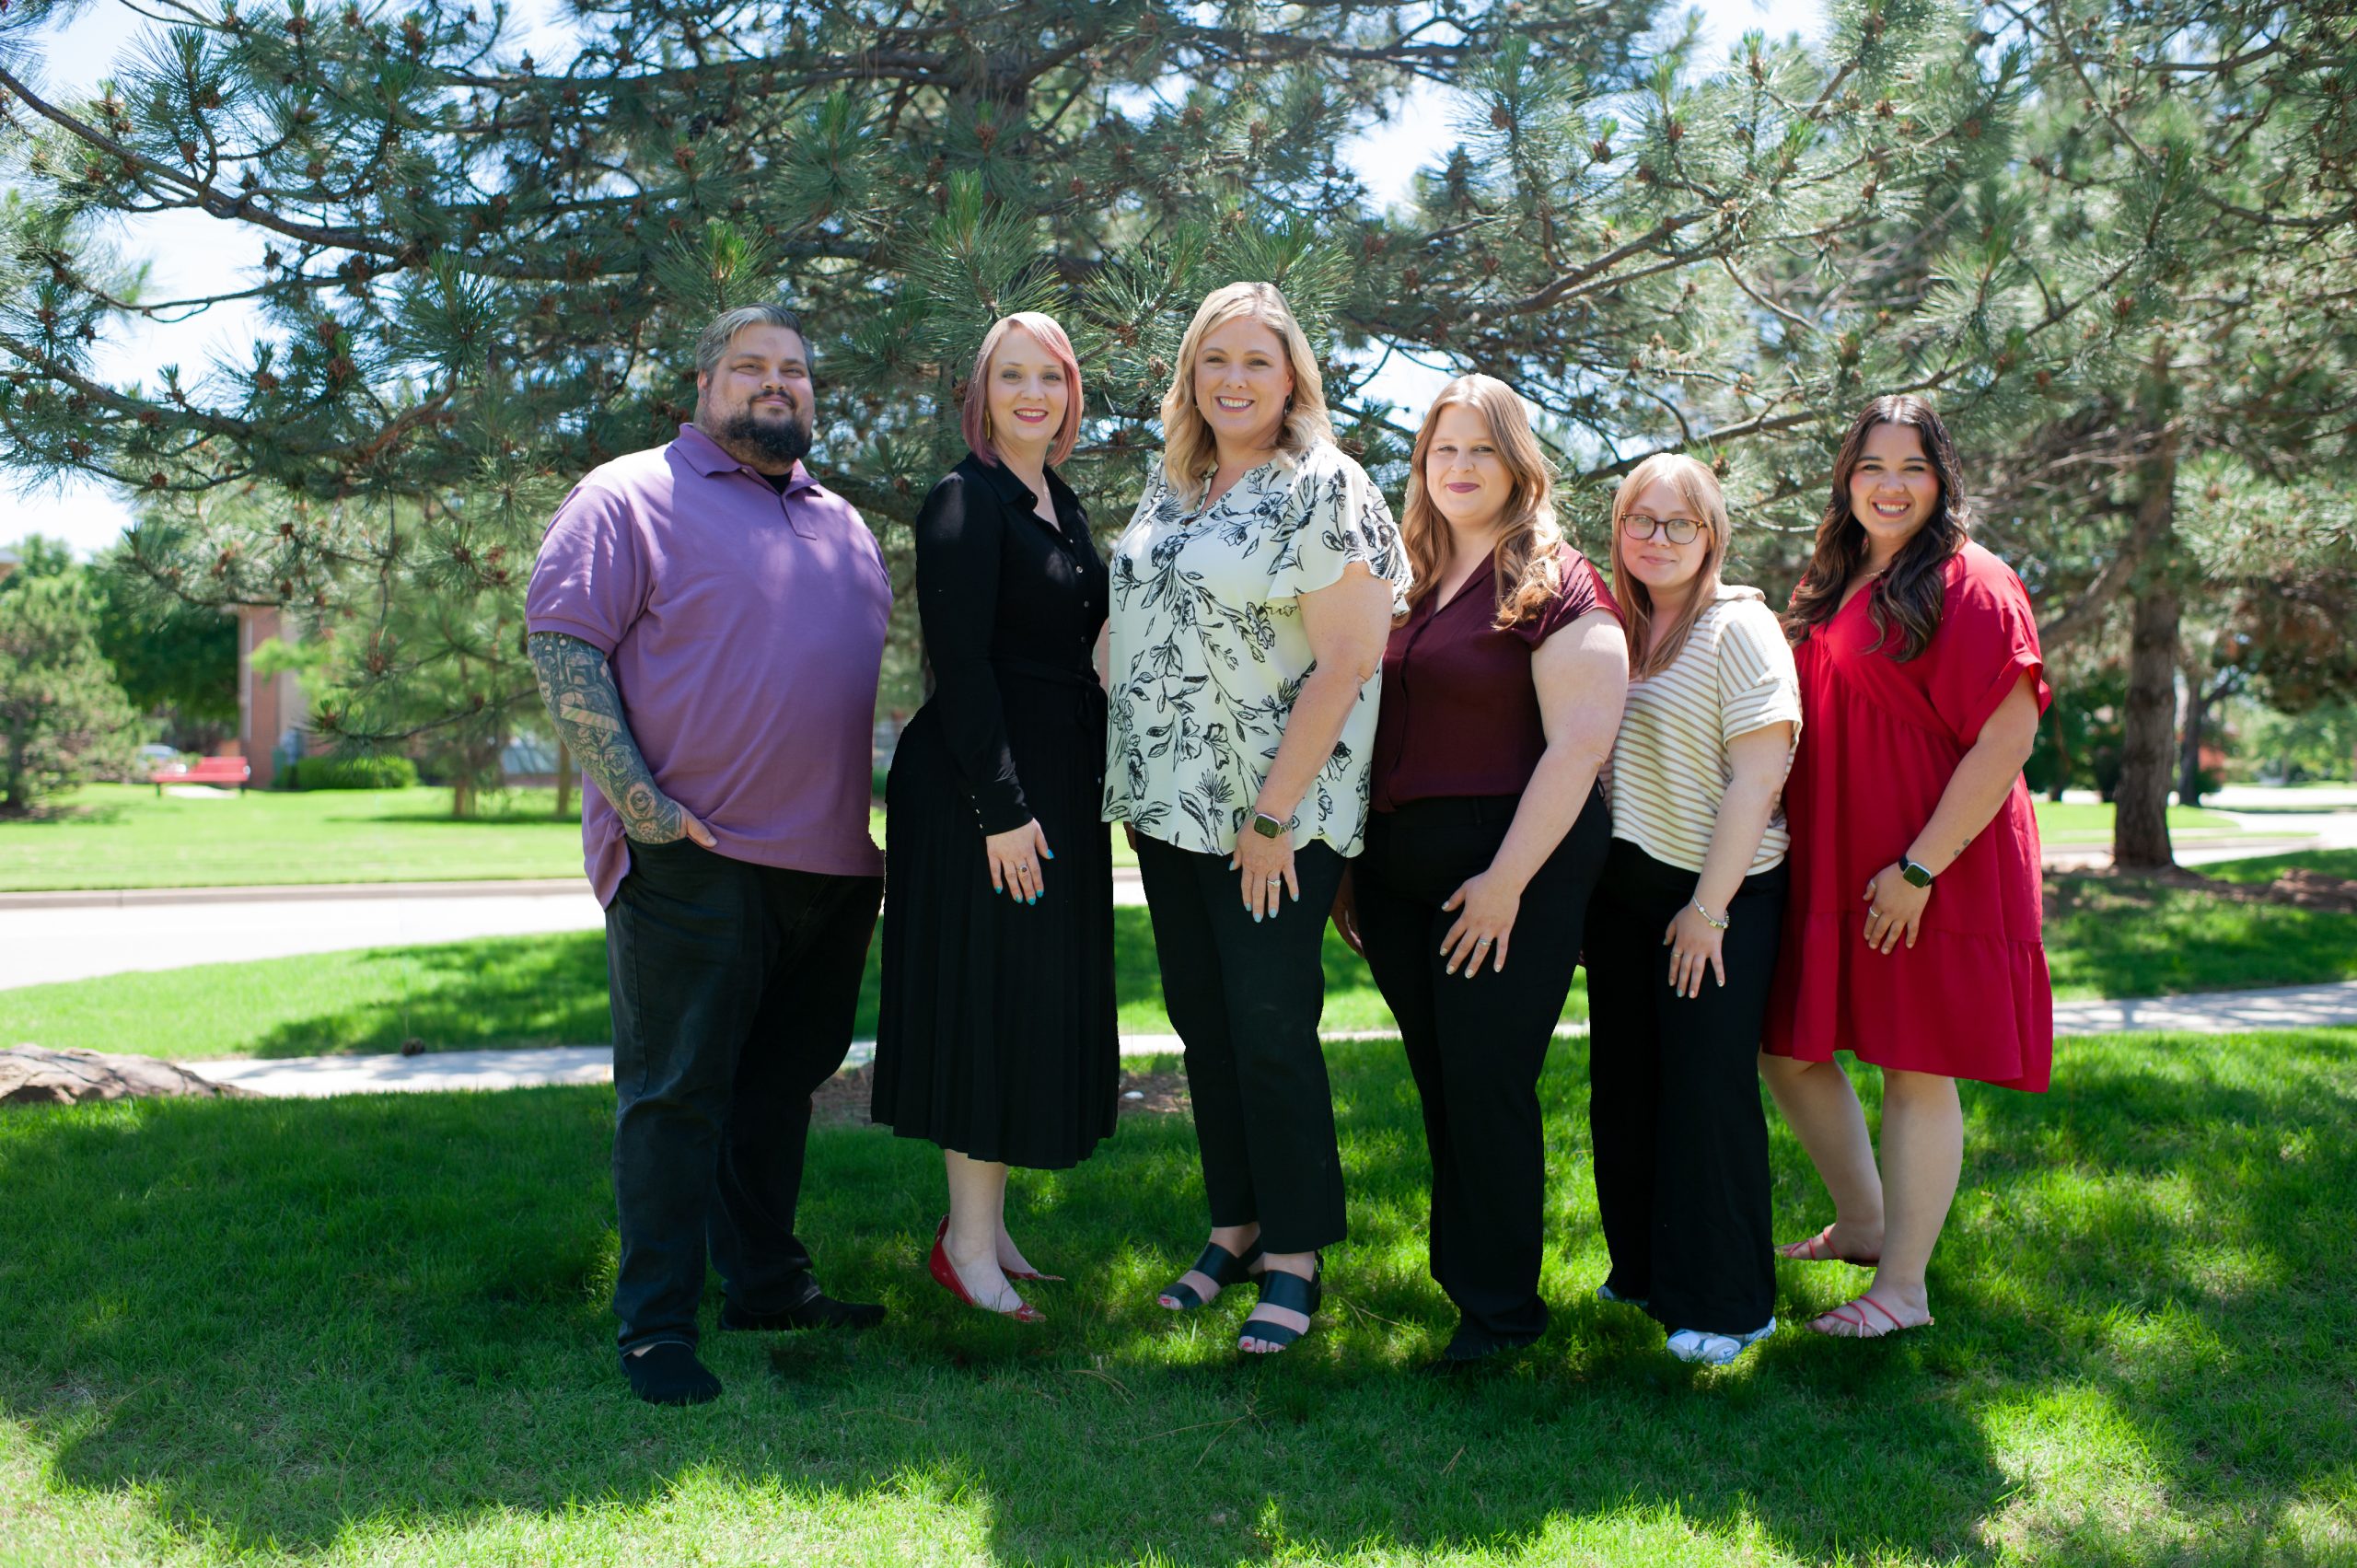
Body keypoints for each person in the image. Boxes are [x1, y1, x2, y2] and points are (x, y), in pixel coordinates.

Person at [526, 304, 891, 1406]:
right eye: (749, 367)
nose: (775, 384)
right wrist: (640, 805)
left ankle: (768, 1282)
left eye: (793, 371)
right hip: (694, 851)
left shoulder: (846, 525)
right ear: (702, 384)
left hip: (827, 868)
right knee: (675, 1094)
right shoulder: (628, 494)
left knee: (779, 1088)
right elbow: (563, 645)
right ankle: (654, 1328)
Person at [1103, 281, 1408, 1355]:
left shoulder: (1324, 485)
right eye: (1214, 359)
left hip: (1274, 815)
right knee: (1203, 1020)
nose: (1233, 378)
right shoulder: (1171, 483)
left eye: (1257, 361)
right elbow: (1137, 617)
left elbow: (1350, 658)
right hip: (1168, 809)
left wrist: (1272, 816)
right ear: (1190, 374)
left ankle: (1296, 1255)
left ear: (1292, 380)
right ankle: (1233, 1222)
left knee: (1271, 1026)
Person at [1342, 374, 1627, 1369]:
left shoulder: (1556, 579)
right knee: (1440, 1079)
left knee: (1486, 1078)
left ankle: (1502, 1310)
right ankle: (1468, 1282)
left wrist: (1506, 880)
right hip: (1396, 873)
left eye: (1481, 450)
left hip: (1514, 866)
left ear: (1518, 465)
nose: (1459, 468)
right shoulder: (1405, 576)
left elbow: (1579, 747)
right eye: (1442, 450)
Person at [1760, 393, 2051, 1340]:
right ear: (1846, 477)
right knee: (1787, 1043)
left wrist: (1918, 869)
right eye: (1872, 466)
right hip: (1837, 852)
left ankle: (1904, 1288)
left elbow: (2010, 733)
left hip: (1932, 858)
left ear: (1943, 479)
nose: (1890, 486)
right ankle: (1863, 1221)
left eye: (1912, 468)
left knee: (1914, 1063)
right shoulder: (1839, 573)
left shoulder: (1972, 580)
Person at [871, 312, 1116, 1323]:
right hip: (984, 791)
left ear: (1068, 393)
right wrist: (1002, 810)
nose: (1031, 394)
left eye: (1048, 377)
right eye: (1010, 376)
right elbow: (961, 666)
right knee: (986, 1004)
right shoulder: (962, 502)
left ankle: (991, 1227)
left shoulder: (1057, 499)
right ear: (982, 395)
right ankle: (963, 1247)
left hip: (1053, 785)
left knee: (1024, 1003)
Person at [1583, 453, 1800, 1366]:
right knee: (1626, 1089)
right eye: (1640, 520)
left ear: (1711, 535)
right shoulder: (1616, 627)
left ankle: (1732, 1301)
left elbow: (1761, 773)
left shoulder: (1737, 626)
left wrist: (1707, 910)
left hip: (1721, 891)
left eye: (1679, 524)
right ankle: (1644, 1272)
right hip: (1625, 892)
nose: (1657, 539)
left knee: (1707, 1094)